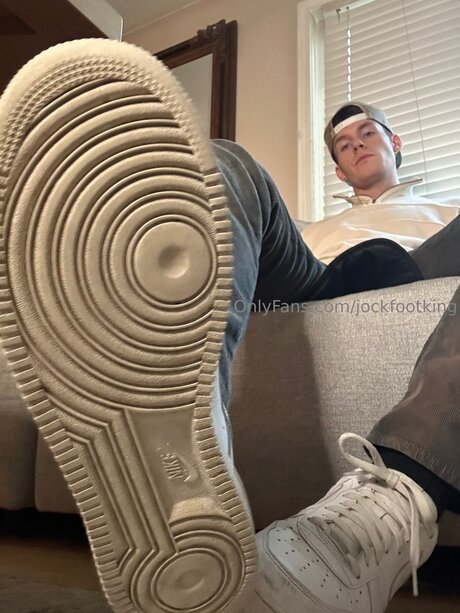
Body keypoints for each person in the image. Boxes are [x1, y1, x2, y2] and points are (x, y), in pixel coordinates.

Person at [0, 39, 458, 613]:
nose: (358, 144)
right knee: (226, 161)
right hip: (322, 276)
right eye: (344, 144)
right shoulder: (325, 223)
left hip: (417, 265)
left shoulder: (440, 210)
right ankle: (191, 429)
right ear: (339, 170)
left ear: (396, 143)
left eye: (368, 133)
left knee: (377, 248)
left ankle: (399, 485)